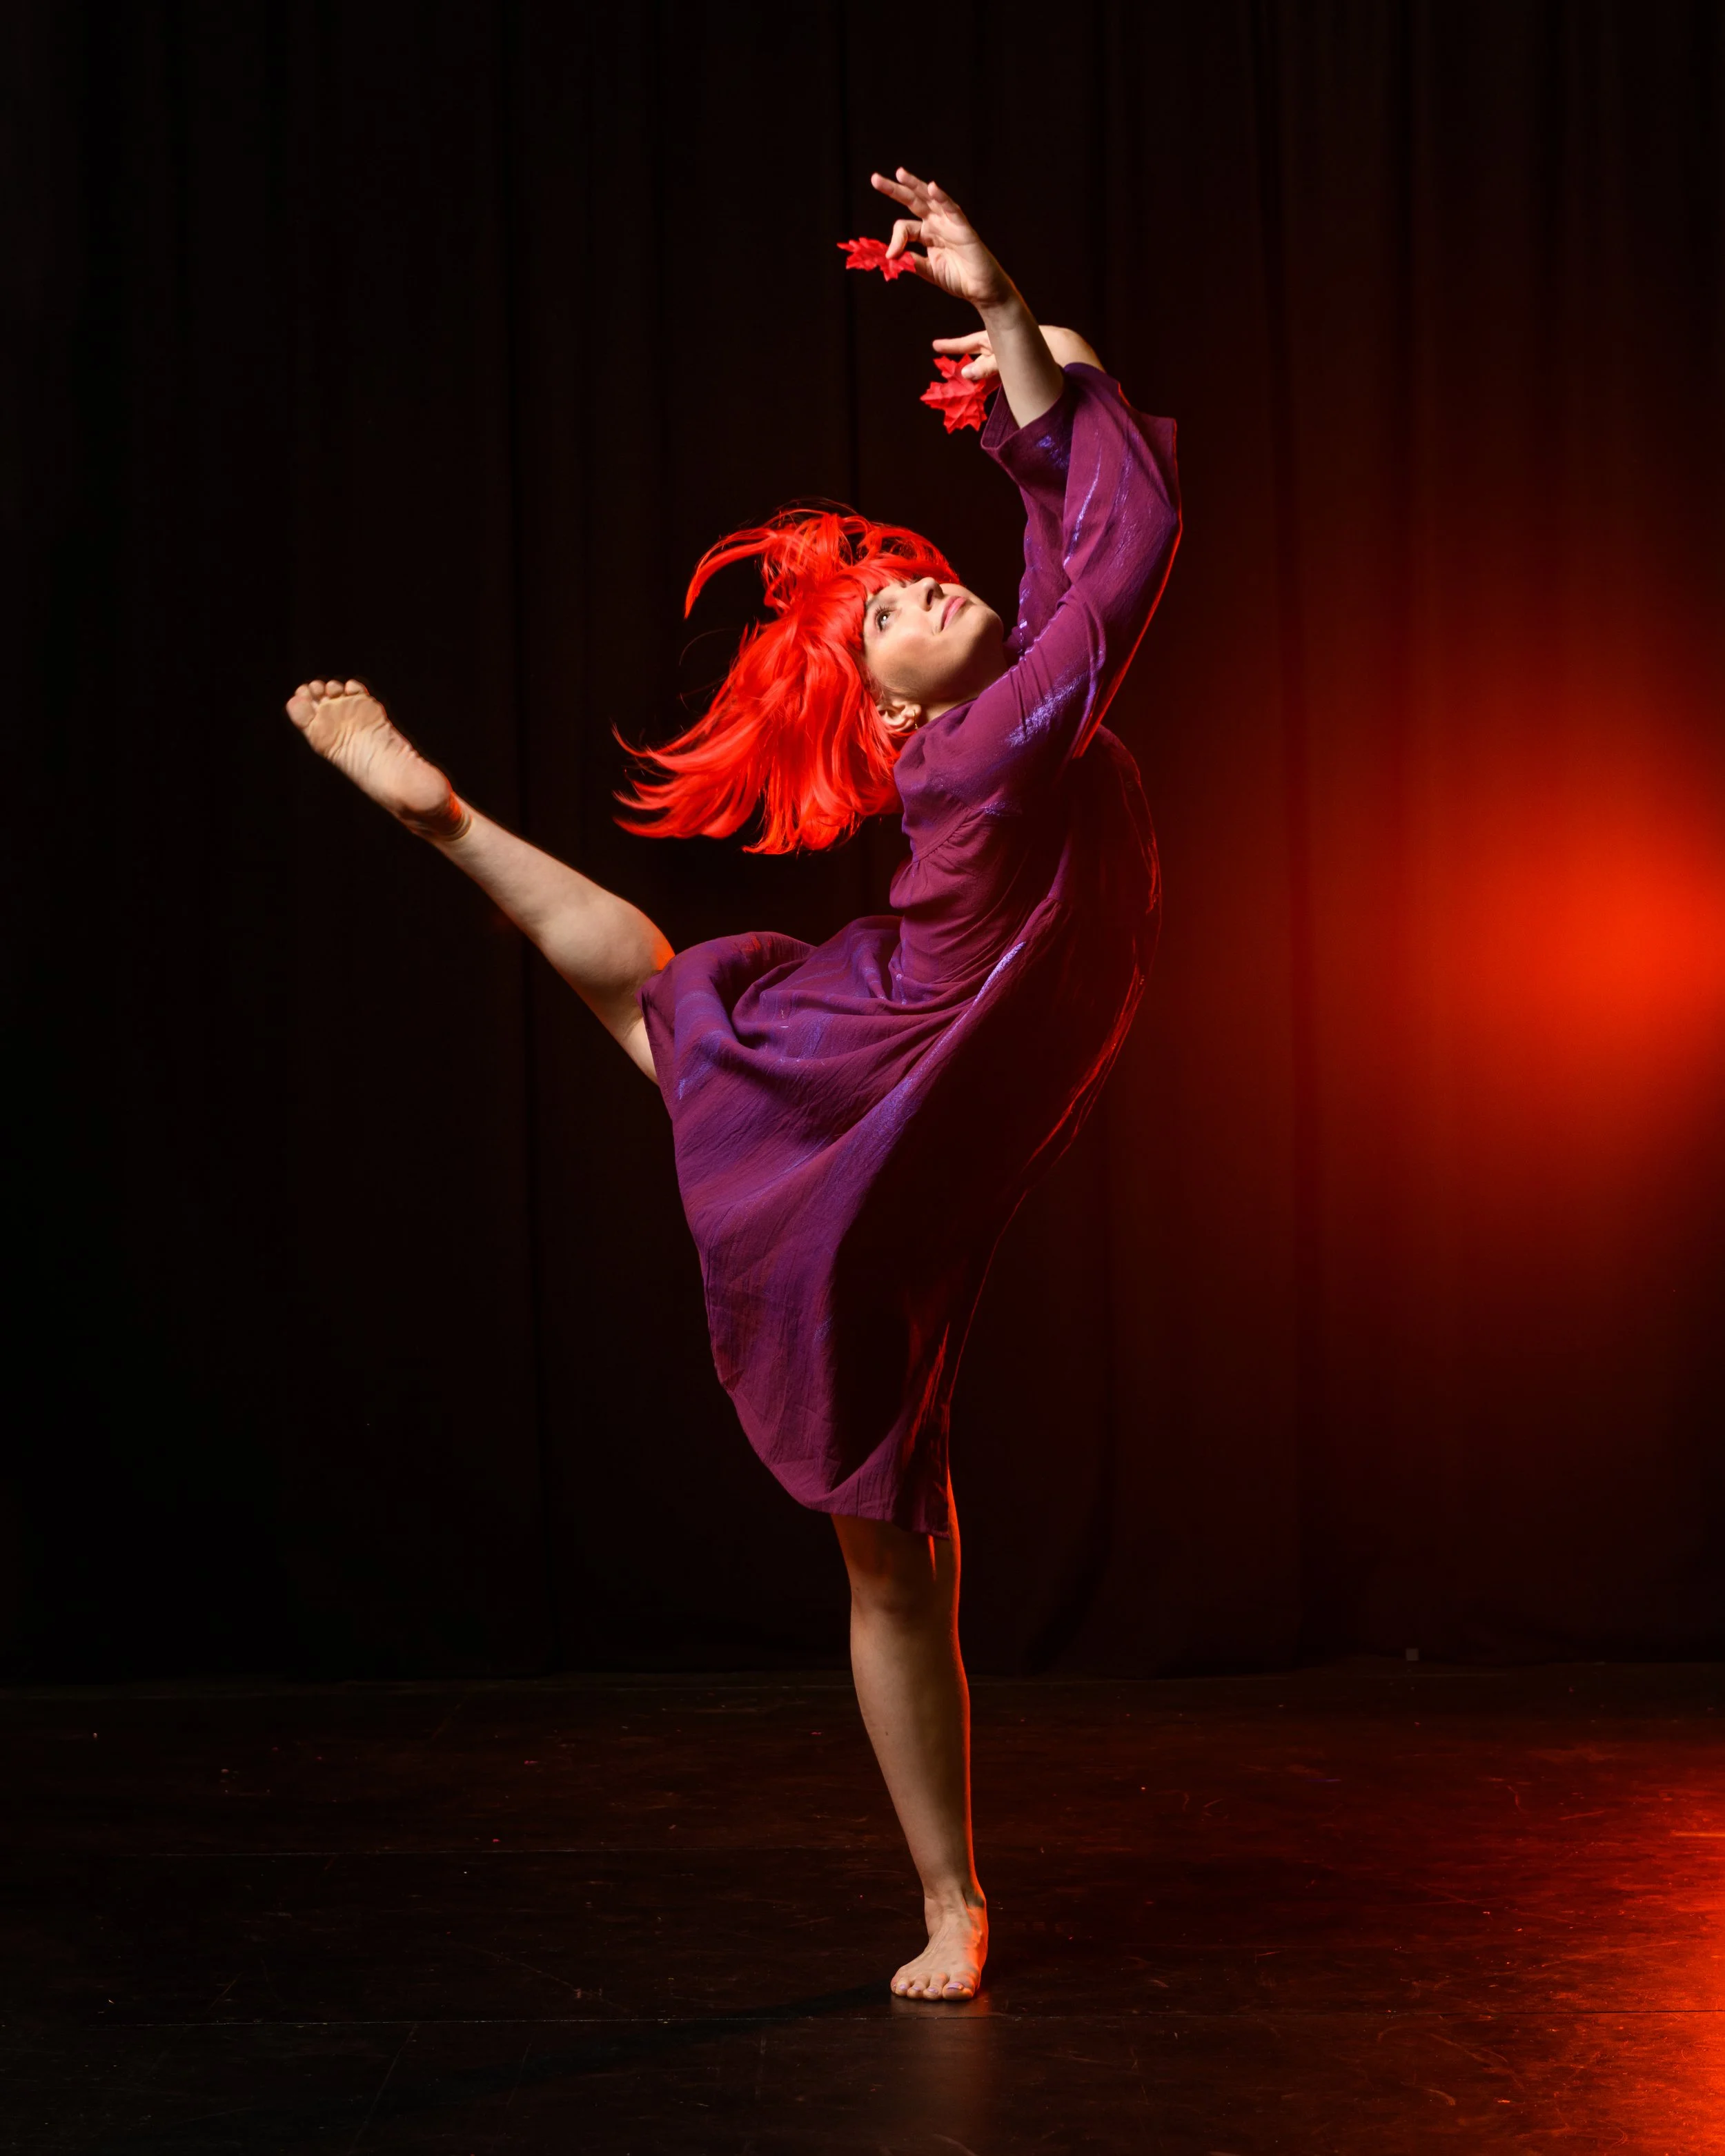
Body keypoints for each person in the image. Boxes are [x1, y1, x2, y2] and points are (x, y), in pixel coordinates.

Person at [286, 168, 1181, 2002]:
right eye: (889, 620)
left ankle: (447, 821)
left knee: (669, 1022)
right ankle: (949, 1897)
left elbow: (1068, 553)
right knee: (890, 1547)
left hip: (902, 1029)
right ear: (897, 720)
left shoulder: (994, 725)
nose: (921, 587)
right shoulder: (993, 757)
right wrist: (1026, 332)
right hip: (889, 1095)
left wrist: (1034, 350)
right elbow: (1126, 563)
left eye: (916, 579)